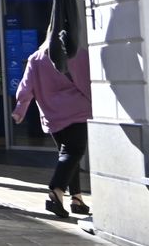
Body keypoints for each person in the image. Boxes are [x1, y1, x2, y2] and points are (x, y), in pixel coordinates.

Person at [12, 41, 92, 218]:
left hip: (52, 114)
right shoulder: (77, 53)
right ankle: (56, 191)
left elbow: (25, 89)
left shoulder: (36, 58)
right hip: (77, 110)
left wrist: (20, 111)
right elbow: (88, 81)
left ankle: (77, 199)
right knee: (73, 152)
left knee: (68, 155)